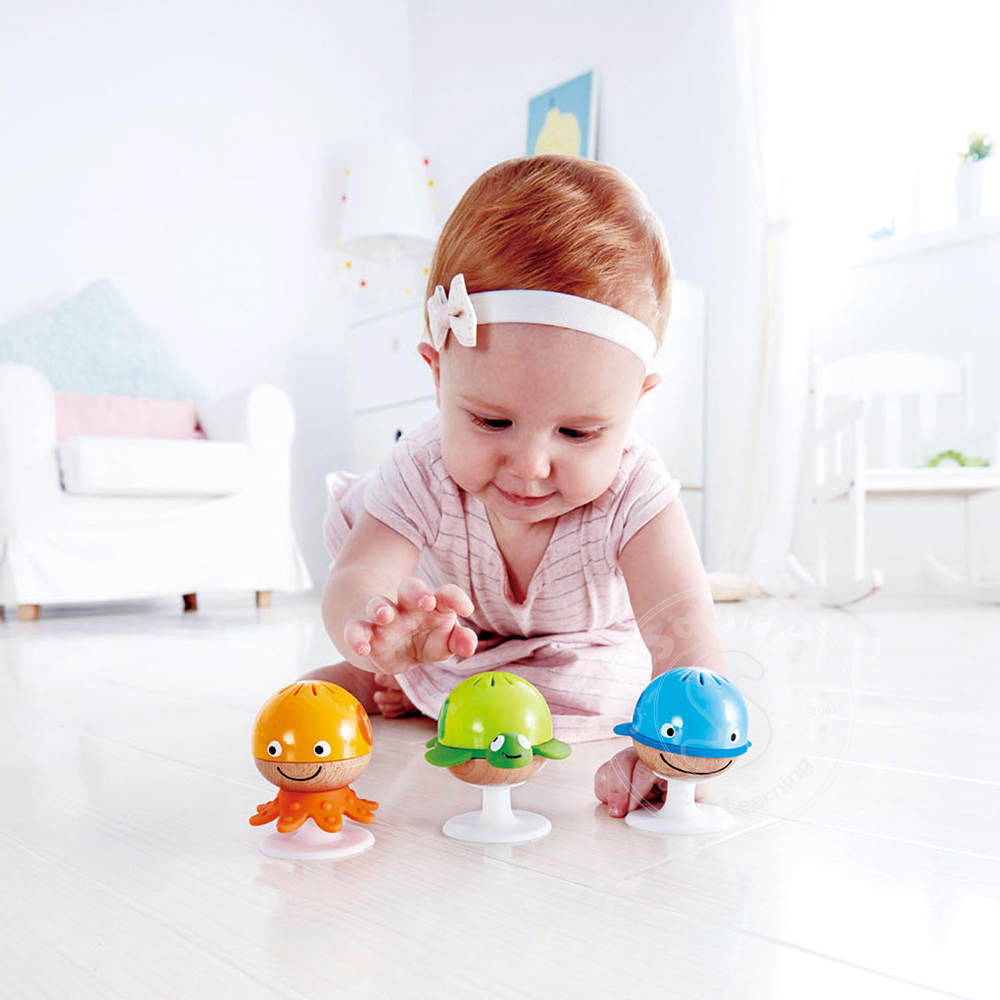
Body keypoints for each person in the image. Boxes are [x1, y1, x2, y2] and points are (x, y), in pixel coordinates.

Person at [316, 154, 724, 817]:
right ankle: (391, 676)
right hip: (453, 639)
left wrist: (675, 749)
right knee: (407, 650)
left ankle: (428, 696)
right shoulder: (421, 465)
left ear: (635, 403)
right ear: (439, 375)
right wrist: (371, 628)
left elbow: (686, 634)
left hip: (575, 650)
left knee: (599, 688)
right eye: (492, 421)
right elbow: (357, 575)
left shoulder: (636, 493)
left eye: (579, 432)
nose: (530, 465)